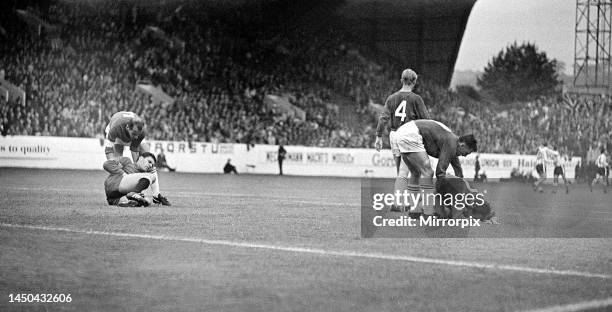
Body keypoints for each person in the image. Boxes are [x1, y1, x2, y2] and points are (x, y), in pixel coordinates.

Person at [394, 119, 477, 216]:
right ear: (462, 144)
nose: (466, 155)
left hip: (402, 133)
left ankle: (414, 211)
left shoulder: (454, 143)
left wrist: (462, 194)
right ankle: (428, 212)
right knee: (428, 172)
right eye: (468, 151)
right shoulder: (452, 144)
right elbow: (440, 173)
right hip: (411, 134)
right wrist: (447, 198)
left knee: (416, 173)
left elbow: (458, 172)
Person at [374, 68, 429, 213]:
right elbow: (426, 120)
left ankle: (399, 202)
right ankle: (410, 204)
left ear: (401, 80)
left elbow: (384, 117)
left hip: (394, 135)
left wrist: (379, 136)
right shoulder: (416, 99)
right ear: (414, 82)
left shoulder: (392, 98)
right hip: (408, 135)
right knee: (414, 171)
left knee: (401, 171)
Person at [104, 111, 171, 205]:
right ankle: (119, 192)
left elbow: (134, 149)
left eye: (138, 135)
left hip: (129, 130)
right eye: (134, 134)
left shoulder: (140, 133)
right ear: (127, 127)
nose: (136, 137)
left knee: (148, 158)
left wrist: (139, 169)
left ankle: (156, 195)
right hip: (118, 136)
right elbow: (108, 151)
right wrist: (119, 169)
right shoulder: (115, 128)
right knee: (118, 161)